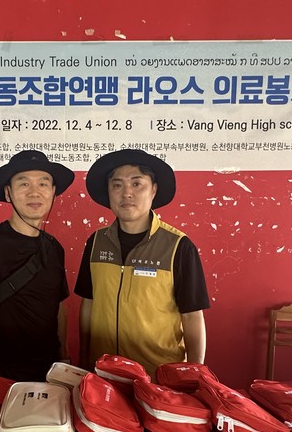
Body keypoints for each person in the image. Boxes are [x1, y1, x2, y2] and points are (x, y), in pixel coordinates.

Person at [75, 149, 210, 377]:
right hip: (104, 373)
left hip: (158, 376)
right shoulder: (96, 242)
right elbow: (88, 303)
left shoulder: (178, 246)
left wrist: (195, 373)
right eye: (117, 185)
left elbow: (192, 316)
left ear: (153, 190)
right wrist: (85, 357)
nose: (126, 193)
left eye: (137, 184)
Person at [0, 150, 74, 383]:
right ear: (8, 192)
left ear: (53, 191)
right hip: (5, 375)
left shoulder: (54, 247)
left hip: (50, 374)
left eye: (43, 183)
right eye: (24, 183)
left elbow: (59, 307)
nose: (34, 192)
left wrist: (63, 359)